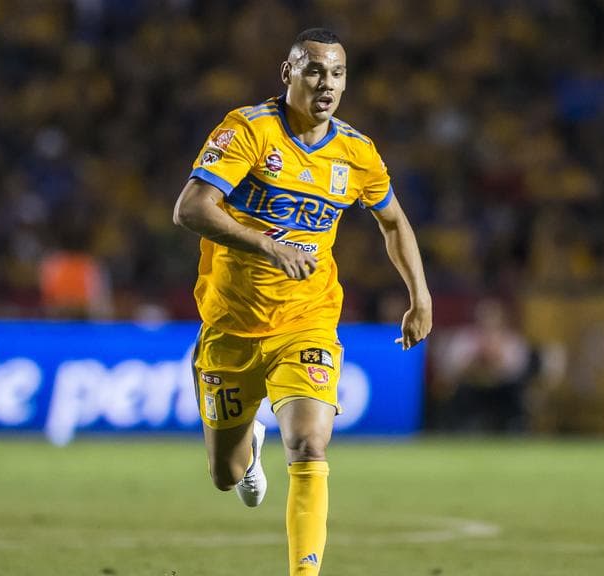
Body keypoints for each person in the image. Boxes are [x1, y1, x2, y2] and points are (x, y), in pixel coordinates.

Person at [172, 28, 432, 576]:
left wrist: (420, 295)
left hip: (306, 321)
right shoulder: (249, 130)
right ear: (287, 73)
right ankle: (248, 449)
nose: (326, 83)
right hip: (231, 325)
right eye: (314, 70)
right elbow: (190, 208)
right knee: (225, 475)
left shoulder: (356, 153)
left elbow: (393, 221)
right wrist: (268, 245)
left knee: (310, 445)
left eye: (337, 73)